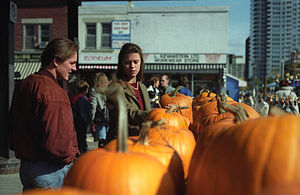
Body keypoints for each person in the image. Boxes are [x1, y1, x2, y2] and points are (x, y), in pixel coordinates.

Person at [8, 38, 80, 191]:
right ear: (56, 61)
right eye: (71, 63)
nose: (74, 68)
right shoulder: (55, 93)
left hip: (27, 168)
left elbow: (11, 128)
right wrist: (72, 154)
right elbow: (59, 145)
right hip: (50, 171)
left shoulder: (24, 85)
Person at [106, 43, 151, 142]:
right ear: (121, 64)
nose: (132, 66)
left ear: (141, 63)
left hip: (141, 142)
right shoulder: (115, 87)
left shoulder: (142, 87)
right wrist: (154, 114)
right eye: (127, 62)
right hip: (121, 144)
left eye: (136, 62)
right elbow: (126, 113)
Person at [90, 72, 110, 148]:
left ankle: (102, 157)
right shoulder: (110, 89)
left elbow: (93, 106)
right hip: (110, 117)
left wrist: (91, 119)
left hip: (100, 119)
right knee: (109, 141)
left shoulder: (94, 90)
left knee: (101, 141)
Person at [71, 80, 91, 154]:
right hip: (82, 122)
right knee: (82, 138)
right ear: (85, 89)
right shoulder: (83, 99)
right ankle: (82, 153)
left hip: (76, 120)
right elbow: (83, 112)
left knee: (79, 138)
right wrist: (88, 121)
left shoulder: (75, 98)